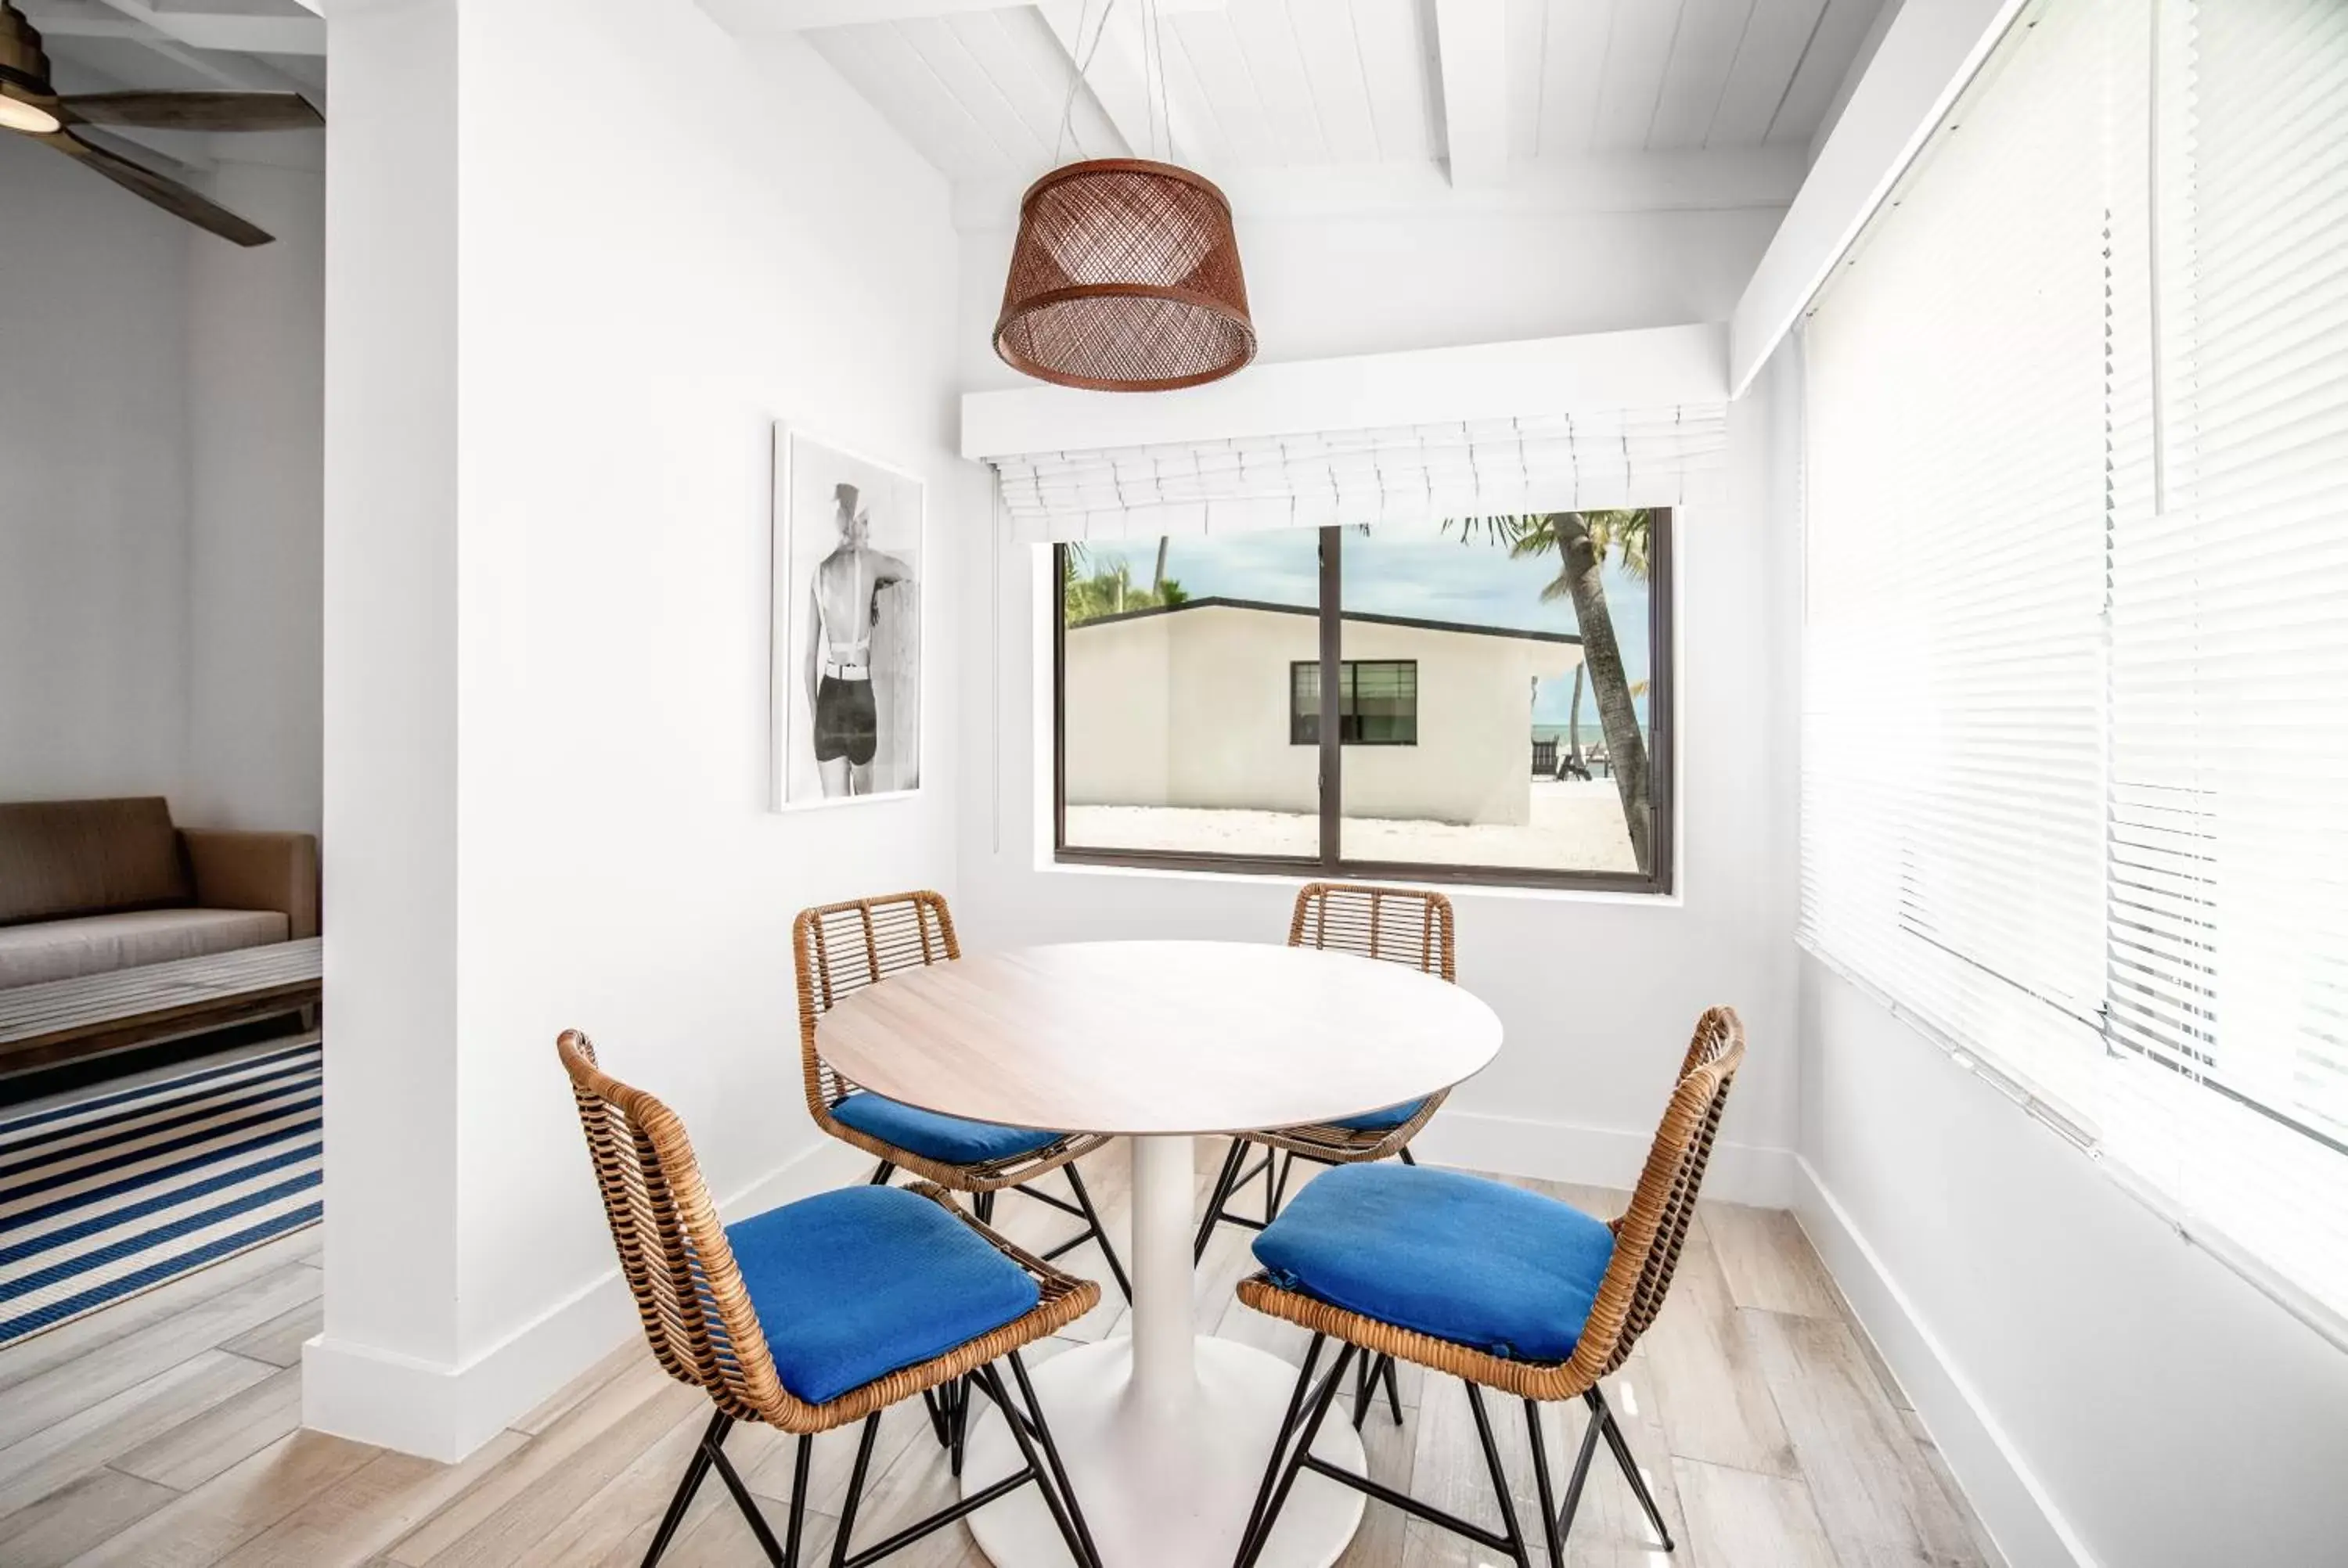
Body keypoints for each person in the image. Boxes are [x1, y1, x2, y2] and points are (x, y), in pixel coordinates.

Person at [805, 482, 913, 797]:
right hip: (859, 694)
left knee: (833, 813)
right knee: (865, 808)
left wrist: (816, 714)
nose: (867, 531)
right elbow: (908, 572)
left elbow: (809, 657)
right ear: (853, 523)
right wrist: (876, 588)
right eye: (864, 522)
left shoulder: (818, 572)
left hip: (827, 696)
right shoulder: (869, 562)